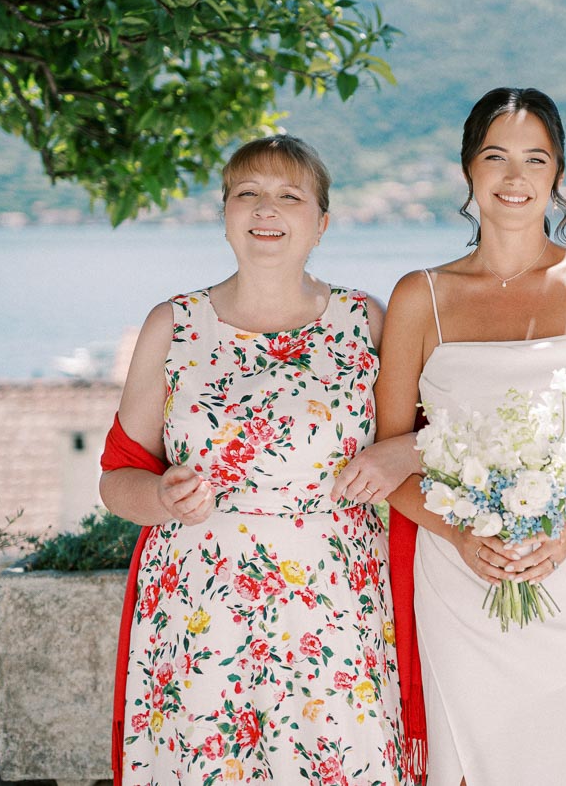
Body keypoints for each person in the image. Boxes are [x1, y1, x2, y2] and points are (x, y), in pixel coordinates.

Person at [351, 87, 566, 786]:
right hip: (461, 580)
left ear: (557, 174)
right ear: (469, 170)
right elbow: (393, 466)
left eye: (535, 159)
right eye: (496, 157)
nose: (515, 178)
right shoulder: (419, 296)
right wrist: (462, 537)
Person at [100, 135, 406, 786]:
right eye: (248, 194)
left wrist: (398, 453)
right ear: (226, 214)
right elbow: (116, 478)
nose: (266, 209)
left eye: (289, 196)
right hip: (200, 615)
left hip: (333, 612)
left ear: (321, 223)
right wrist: (159, 498)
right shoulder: (173, 324)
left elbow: (432, 441)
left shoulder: (365, 320)